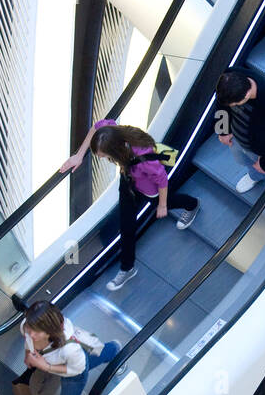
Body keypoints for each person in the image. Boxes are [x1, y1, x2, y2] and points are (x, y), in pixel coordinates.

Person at [61, 119, 199, 291]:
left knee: (169, 202)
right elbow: (96, 127)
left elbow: (162, 179)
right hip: (128, 179)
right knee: (126, 226)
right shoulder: (111, 131)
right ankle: (127, 268)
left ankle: (191, 205)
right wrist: (79, 156)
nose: (102, 158)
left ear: (114, 150)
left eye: (103, 155)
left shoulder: (143, 157)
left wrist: (162, 205)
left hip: (149, 187)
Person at [21, 301, 121, 395]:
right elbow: (27, 338)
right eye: (29, 327)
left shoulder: (70, 349)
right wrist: (28, 354)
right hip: (70, 361)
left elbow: (77, 370)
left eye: (37, 331)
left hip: (74, 374)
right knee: (91, 359)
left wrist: (45, 366)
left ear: (51, 330)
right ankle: (113, 349)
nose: (31, 334)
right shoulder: (28, 327)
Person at [214, 71, 265, 225]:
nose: (232, 108)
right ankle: (256, 176)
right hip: (239, 141)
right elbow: (220, 104)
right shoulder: (230, 77)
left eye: (235, 105)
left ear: (246, 95)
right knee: (242, 159)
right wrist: (223, 129)